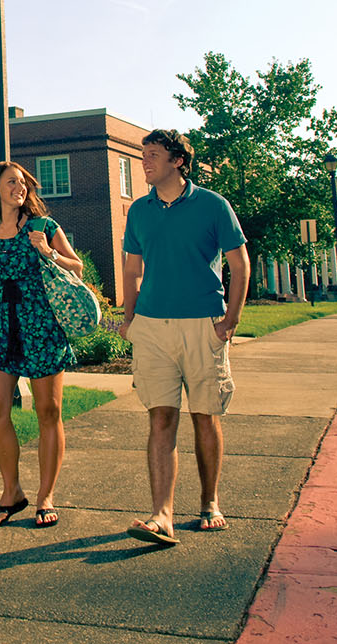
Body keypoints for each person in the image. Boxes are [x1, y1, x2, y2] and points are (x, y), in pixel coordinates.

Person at [119, 129, 249, 547]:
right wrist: (129, 319)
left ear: (178, 161)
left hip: (201, 323)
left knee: (204, 415)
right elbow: (132, 270)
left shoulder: (213, 205)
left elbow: (240, 264)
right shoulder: (138, 211)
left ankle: (209, 502)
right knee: (161, 416)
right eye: (144, 155)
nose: (145, 162)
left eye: (153, 155)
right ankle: (162, 515)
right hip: (153, 327)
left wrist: (228, 322)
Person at [0, 160, 85, 530]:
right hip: (1, 326)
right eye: (11, 183)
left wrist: (47, 251)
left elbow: (77, 267)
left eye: (22, 183)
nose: (19, 188)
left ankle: (45, 496)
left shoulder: (42, 227)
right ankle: (11, 492)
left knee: (48, 412)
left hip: (41, 322)